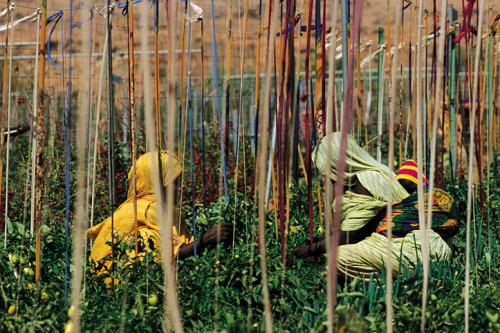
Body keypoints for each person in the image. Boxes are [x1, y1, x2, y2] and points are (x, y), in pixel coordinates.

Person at [294, 133, 460, 280]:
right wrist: (314, 241)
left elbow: (352, 236)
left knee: (336, 259)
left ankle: (395, 286)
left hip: (420, 250)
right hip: (432, 245)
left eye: (327, 169)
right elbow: (361, 229)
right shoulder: (375, 172)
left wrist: (310, 250)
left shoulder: (366, 181)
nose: (326, 175)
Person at [87, 151, 233, 270]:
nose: (181, 189)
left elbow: (186, 251)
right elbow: (168, 255)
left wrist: (213, 240)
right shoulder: (141, 211)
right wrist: (205, 239)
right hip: (127, 288)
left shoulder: (170, 214)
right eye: (175, 183)